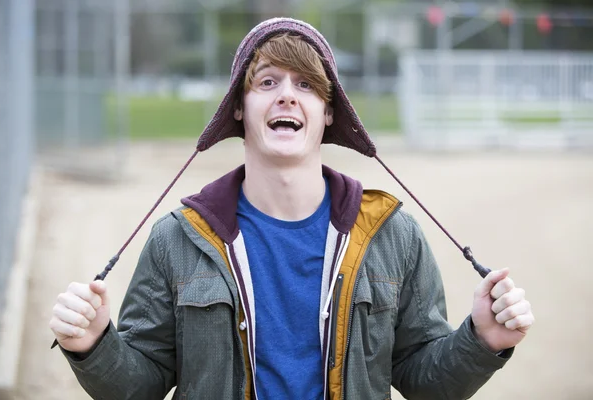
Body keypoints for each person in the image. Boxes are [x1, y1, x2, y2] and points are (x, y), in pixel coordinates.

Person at [49, 18, 534, 400]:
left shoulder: (393, 235)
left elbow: (423, 380)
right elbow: (141, 385)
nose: (286, 93)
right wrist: (95, 344)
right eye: (266, 81)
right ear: (239, 107)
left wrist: (481, 340)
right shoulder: (177, 239)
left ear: (328, 113)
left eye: (306, 85)